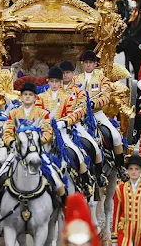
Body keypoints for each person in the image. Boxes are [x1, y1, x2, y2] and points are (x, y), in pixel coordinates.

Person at [0, 81, 65, 224]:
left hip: (38, 153)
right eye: (25, 95)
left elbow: (48, 133)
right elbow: (7, 132)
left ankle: (64, 206)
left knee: (57, 180)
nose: (27, 97)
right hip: (17, 154)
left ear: (35, 98)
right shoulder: (13, 113)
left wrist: (36, 142)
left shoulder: (42, 114)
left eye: (30, 95)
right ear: (21, 97)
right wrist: (12, 143)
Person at [36, 66, 93, 196]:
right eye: (52, 81)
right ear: (48, 81)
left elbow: (71, 114)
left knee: (77, 153)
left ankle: (85, 184)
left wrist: (64, 122)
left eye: (57, 81)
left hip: (62, 132)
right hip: (45, 132)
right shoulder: (40, 97)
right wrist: (45, 123)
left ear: (60, 82)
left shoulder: (68, 97)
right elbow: (38, 114)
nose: (54, 84)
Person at [73, 50, 127, 182]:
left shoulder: (102, 79)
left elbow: (106, 96)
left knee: (115, 135)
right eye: (86, 63)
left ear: (95, 64)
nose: (88, 65)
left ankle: (120, 167)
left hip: (97, 114)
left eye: (90, 63)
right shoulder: (76, 79)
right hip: (80, 115)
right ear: (82, 64)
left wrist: (94, 102)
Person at [60, 60, 107, 187]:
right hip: (56, 128)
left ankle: (98, 175)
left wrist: (68, 120)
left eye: (68, 73)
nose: (65, 75)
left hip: (75, 125)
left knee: (95, 147)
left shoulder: (79, 91)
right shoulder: (52, 90)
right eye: (63, 73)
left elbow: (81, 108)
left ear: (72, 73)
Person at [112, 154, 141, 246]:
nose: (133, 172)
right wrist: (114, 237)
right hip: (124, 232)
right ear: (127, 171)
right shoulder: (120, 189)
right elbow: (116, 213)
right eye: (131, 169)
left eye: (137, 169)